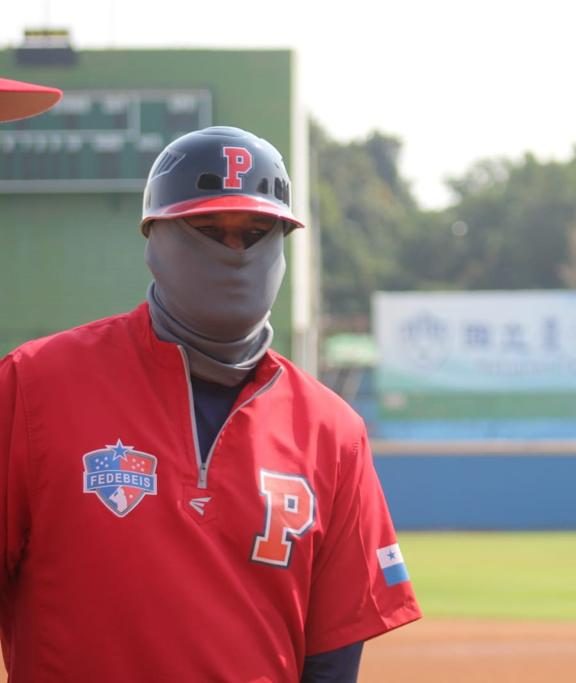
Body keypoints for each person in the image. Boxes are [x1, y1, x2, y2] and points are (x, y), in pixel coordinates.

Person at [0, 125, 421, 681]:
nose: (234, 249)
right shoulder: (35, 385)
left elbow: (332, 660)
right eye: (209, 227)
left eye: (255, 230)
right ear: (156, 237)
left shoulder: (332, 430)